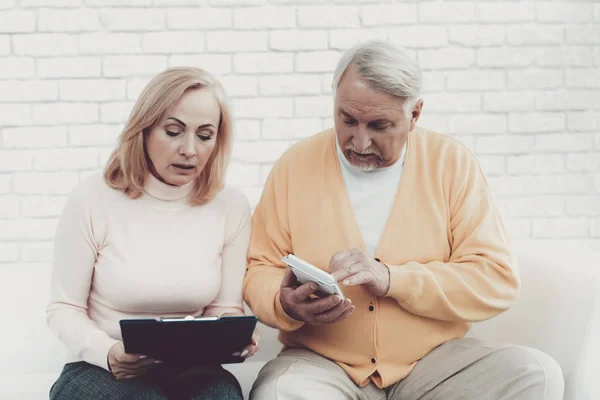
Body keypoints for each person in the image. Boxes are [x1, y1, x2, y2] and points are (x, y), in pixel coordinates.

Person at [243, 40, 563, 400]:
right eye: (347, 120)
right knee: (280, 394)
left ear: (415, 115)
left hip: (435, 363)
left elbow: (496, 278)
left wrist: (394, 279)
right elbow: (260, 267)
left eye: (379, 125)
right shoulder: (295, 164)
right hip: (322, 364)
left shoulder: (451, 163)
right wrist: (284, 302)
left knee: (535, 374)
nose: (359, 142)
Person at [47, 67, 259, 400]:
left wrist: (233, 333)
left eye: (204, 136)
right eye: (174, 131)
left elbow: (225, 306)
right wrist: (107, 352)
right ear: (144, 130)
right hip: (100, 367)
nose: (190, 149)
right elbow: (63, 308)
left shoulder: (230, 205)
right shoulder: (92, 199)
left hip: (193, 368)